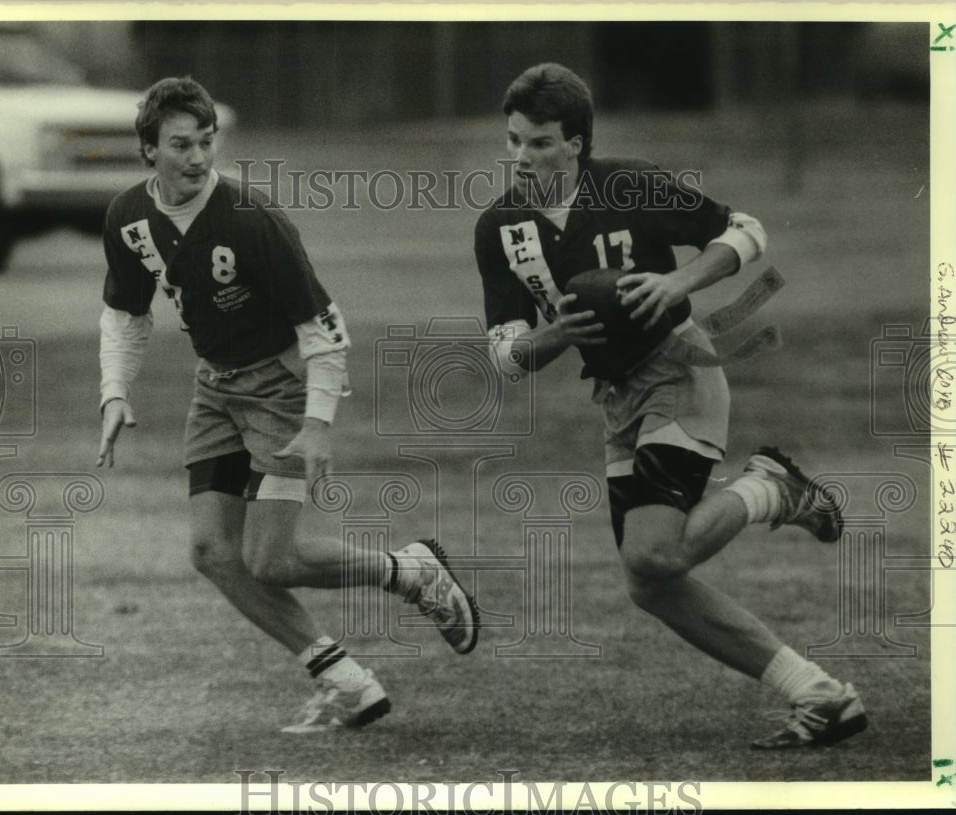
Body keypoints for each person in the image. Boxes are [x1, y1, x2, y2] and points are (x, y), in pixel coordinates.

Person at [473, 62, 866, 749]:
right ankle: (818, 693)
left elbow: (746, 231)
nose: (522, 157)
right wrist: (554, 336)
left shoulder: (629, 183)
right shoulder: (501, 228)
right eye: (513, 140)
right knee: (649, 582)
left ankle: (768, 488)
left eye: (539, 142)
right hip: (617, 394)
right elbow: (505, 356)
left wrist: (678, 278)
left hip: (679, 366)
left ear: (576, 142)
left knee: (652, 554)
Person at [96, 76, 479, 733]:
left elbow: (324, 328)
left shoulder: (253, 219)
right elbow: (125, 313)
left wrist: (318, 424)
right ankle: (347, 682)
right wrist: (113, 392)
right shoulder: (129, 218)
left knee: (271, 558)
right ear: (147, 152)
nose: (197, 157)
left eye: (207, 142)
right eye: (181, 145)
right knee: (213, 551)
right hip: (214, 388)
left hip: (279, 386)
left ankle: (409, 571)